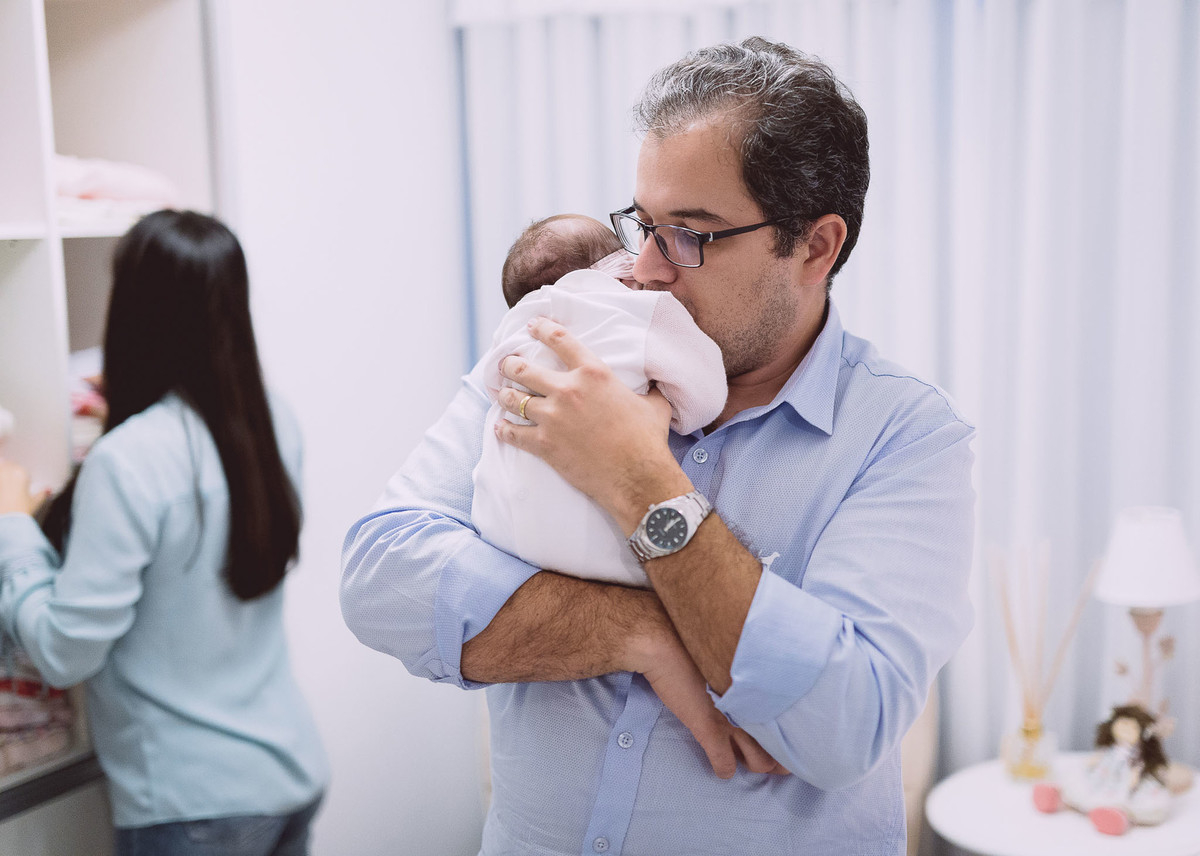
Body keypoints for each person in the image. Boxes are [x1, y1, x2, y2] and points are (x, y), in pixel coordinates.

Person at [342, 37, 975, 855]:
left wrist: (637, 478)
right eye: (643, 223)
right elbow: (379, 575)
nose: (641, 268)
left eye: (690, 234)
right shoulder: (564, 344)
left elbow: (842, 723)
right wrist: (648, 632)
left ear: (816, 247)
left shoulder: (907, 439)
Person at [0, 210, 328, 856]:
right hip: (287, 774)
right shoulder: (269, 421)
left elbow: (66, 651)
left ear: (136, 311)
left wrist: (13, 523)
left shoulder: (129, 460)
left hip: (195, 809)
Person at [476, 214, 727, 587]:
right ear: (625, 271)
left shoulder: (517, 328)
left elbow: (490, 385)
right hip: (601, 556)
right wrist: (669, 405)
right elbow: (707, 395)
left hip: (501, 534)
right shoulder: (644, 312)